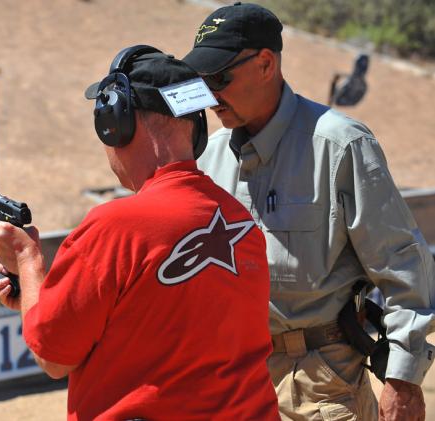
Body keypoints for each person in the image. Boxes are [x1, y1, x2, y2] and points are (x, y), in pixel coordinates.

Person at [0, 46, 280, 420]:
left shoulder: (115, 227)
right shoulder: (240, 223)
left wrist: (27, 260)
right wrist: (36, 300)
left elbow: (53, 356)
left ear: (116, 122)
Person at [182, 3, 435, 420]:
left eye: (219, 78)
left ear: (266, 64)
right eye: (200, 81)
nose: (208, 95)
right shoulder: (207, 159)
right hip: (232, 383)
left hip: (321, 385)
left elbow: (404, 268)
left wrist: (403, 381)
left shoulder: (340, 146)